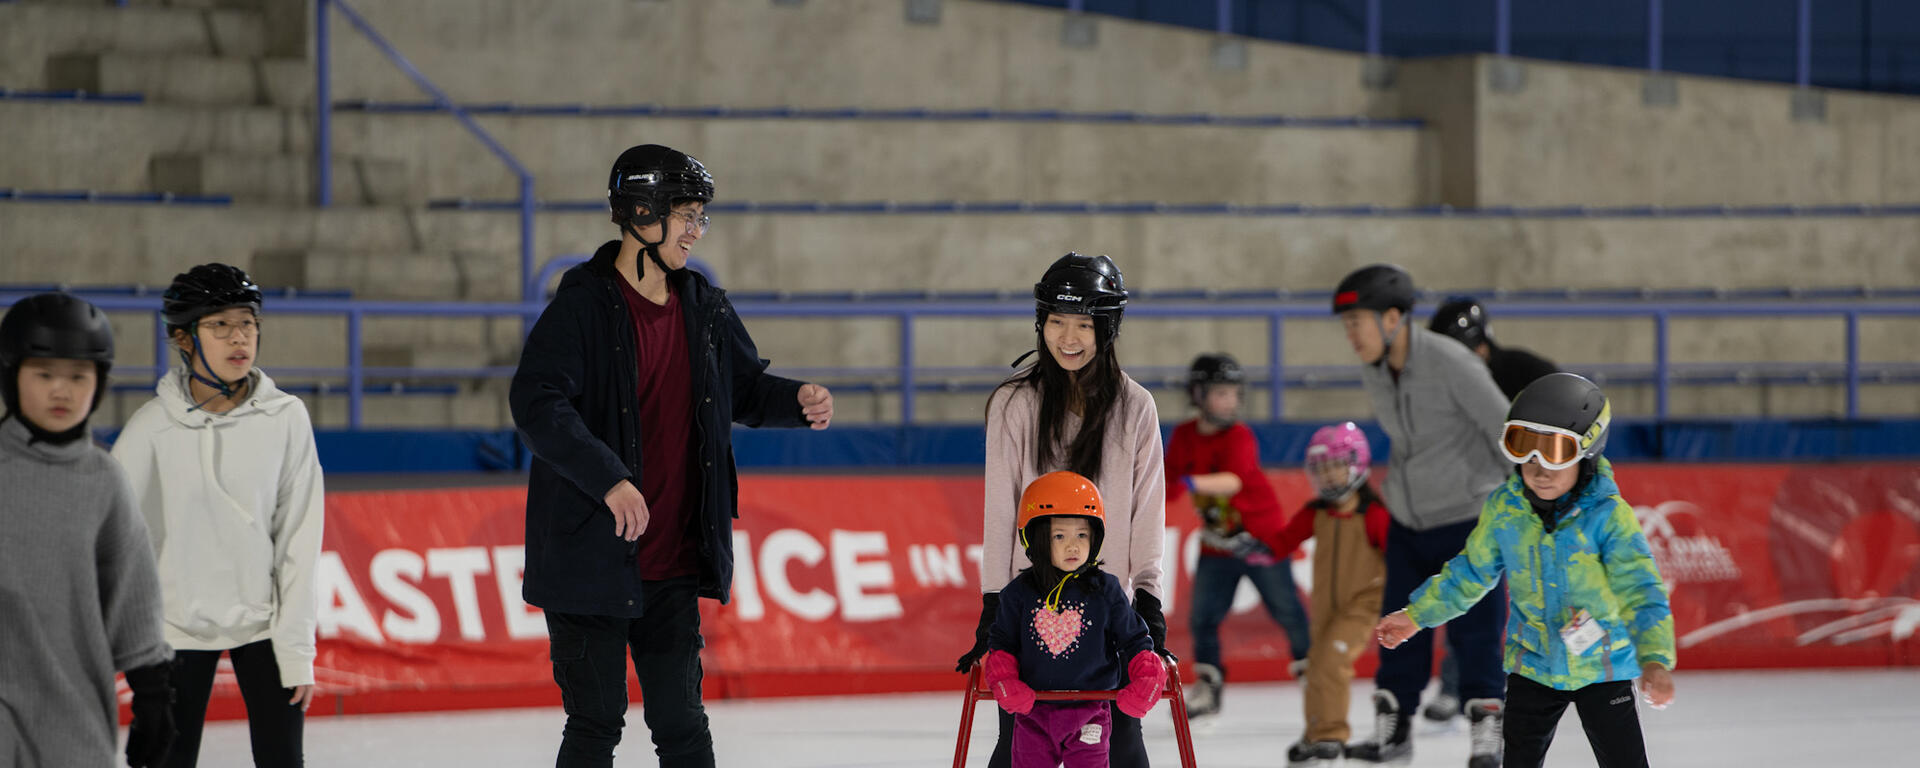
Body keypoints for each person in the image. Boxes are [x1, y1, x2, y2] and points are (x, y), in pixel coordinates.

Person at [509, 143, 834, 768]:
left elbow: (744, 388)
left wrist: (798, 400)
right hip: (589, 563)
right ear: (640, 213)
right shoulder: (581, 306)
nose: (695, 230)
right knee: (595, 724)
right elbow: (538, 401)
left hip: (673, 563)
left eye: (699, 216)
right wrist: (609, 480)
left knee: (682, 725)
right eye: (684, 214)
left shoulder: (703, 306)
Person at [1375, 373, 1677, 768]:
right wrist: (1417, 616)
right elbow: (1470, 572)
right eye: (1524, 448)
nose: (1539, 468)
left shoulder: (1608, 517)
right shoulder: (1506, 510)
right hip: (1532, 665)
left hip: (1603, 668)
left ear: (1587, 449)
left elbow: (1640, 589)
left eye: (1553, 451)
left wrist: (1654, 658)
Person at [955, 252, 1167, 768]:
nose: (1067, 338)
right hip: (1031, 611)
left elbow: (1147, 511)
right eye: (1056, 322)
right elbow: (1000, 510)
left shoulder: (1135, 406)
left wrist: (1149, 599)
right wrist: (992, 601)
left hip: (1108, 615)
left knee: (1124, 750)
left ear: (1107, 328)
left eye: (1082, 325)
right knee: (1018, 747)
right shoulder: (1013, 404)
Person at [111, 265, 324, 768]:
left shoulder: (286, 417)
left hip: (265, 628)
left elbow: (299, 539)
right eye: (220, 325)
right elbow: (112, 533)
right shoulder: (153, 427)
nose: (239, 338)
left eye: (247, 323)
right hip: (174, 632)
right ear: (184, 338)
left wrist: (297, 652)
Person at [1331, 264, 1510, 766]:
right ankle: (1394, 730)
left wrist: (1506, 505)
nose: (1351, 336)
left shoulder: (1453, 363)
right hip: (1409, 521)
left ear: (1393, 318)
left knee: (1475, 634)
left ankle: (1486, 730)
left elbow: (1506, 431)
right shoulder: (1376, 368)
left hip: (1468, 520)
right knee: (1398, 629)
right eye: (1345, 326)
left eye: (1356, 323)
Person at [0, 293, 175, 767]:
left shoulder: (103, 481)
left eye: (78, 376)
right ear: (12, 377)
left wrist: (153, 698)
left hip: (72, 720)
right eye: (44, 374)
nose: (62, 390)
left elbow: (134, 596)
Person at [1423, 296, 1560, 723]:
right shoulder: (1449, 384)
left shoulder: (1520, 370)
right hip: (1483, 502)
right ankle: (1454, 684)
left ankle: (1565, 676)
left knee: (1553, 588)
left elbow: (1571, 404)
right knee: (1470, 587)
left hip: (1535, 501)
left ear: (1480, 345)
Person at [984, 471, 1168, 768]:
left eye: (1082, 534)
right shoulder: (1017, 594)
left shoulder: (1106, 590)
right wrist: (1004, 679)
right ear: (1035, 539)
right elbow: (1002, 644)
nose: (1073, 546)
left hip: (1090, 713)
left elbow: (1134, 639)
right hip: (1033, 714)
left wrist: (1148, 676)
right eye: (1060, 536)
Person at [1164, 352, 1310, 719]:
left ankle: (1314, 675)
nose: (1230, 401)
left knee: (1288, 611)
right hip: (1218, 544)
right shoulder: (1184, 435)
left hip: (1261, 539)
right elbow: (1165, 486)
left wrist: (1189, 481)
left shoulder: (1240, 435)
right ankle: (1209, 688)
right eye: (1221, 393)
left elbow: (1234, 480)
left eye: (1234, 393)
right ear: (1198, 395)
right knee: (1203, 618)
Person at [1251, 423, 1389, 766]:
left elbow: (1398, 560)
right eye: (1321, 469)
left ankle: (1332, 734)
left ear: (1357, 464)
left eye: (1335, 466)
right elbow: (1282, 543)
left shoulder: (1374, 514)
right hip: (1326, 607)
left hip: (1364, 605)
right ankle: (1313, 734)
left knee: (1332, 662)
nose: (1328, 476)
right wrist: (1251, 548)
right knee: (1315, 667)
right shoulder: (1317, 512)